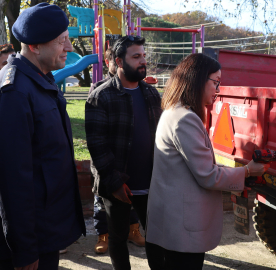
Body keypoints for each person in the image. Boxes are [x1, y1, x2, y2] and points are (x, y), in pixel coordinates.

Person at [145, 53, 269, 270]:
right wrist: (247, 171)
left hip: (172, 223)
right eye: (216, 82)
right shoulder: (186, 119)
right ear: (198, 80)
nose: (217, 89)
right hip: (181, 231)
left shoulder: (174, 112)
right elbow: (207, 175)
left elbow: (197, 167)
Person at [0, 3, 86, 270]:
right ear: (35, 46)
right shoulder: (14, 92)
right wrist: (25, 250)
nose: (69, 48)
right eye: (62, 41)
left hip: (47, 231)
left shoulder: (40, 78)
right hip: (32, 241)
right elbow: (13, 180)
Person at [85, 35, 162, 269]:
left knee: (157, 238)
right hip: (117, 186)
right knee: (117, 239)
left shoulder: (151, 94)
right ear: (119, 62)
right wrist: (115, 183)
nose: (142, 61)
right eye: (136, 57)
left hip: (151, 184)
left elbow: (160, 138)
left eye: (143, 56)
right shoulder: (101, 96)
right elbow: (96, 145)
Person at [89, 47, 146, 254]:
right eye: (112, 61)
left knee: (133, 200)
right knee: (102, 204)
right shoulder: (99, 88)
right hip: (108, 162)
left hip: (130, 161)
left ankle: (133, 230)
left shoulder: (139, 88)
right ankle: (103, 234)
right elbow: (95, 135)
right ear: (109, 63)